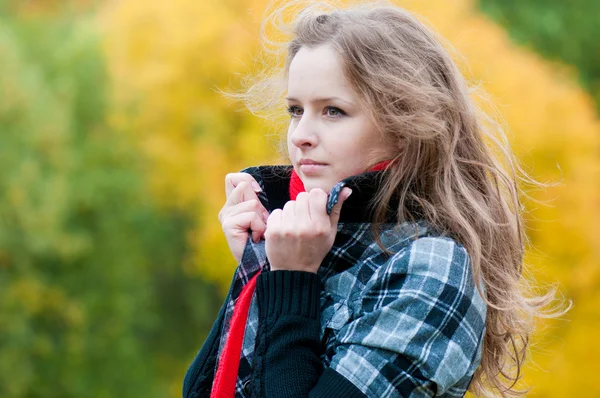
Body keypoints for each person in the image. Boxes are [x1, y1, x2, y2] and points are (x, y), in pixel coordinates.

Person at [183, 2, 562, 397]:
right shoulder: (312, 239)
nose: (300, 135)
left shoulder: (431, 268)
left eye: (333, 111)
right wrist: (259, 264)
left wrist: (290, 279)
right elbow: (202, 389)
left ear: (406, 123)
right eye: (296, 110)